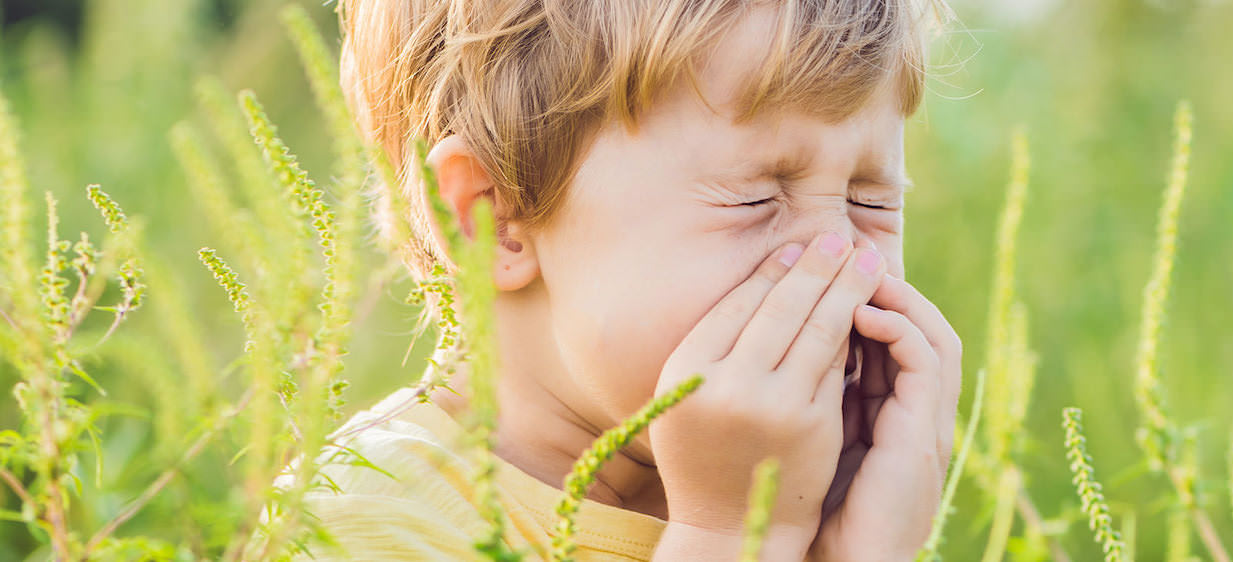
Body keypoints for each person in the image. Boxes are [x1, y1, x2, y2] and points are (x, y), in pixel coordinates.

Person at [289, 0, 963, 558]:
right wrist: (734, 536)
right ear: (495, 219)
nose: (839, 257)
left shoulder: (825, 498)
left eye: (871, 200)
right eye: (756, 197)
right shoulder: (356, 526)